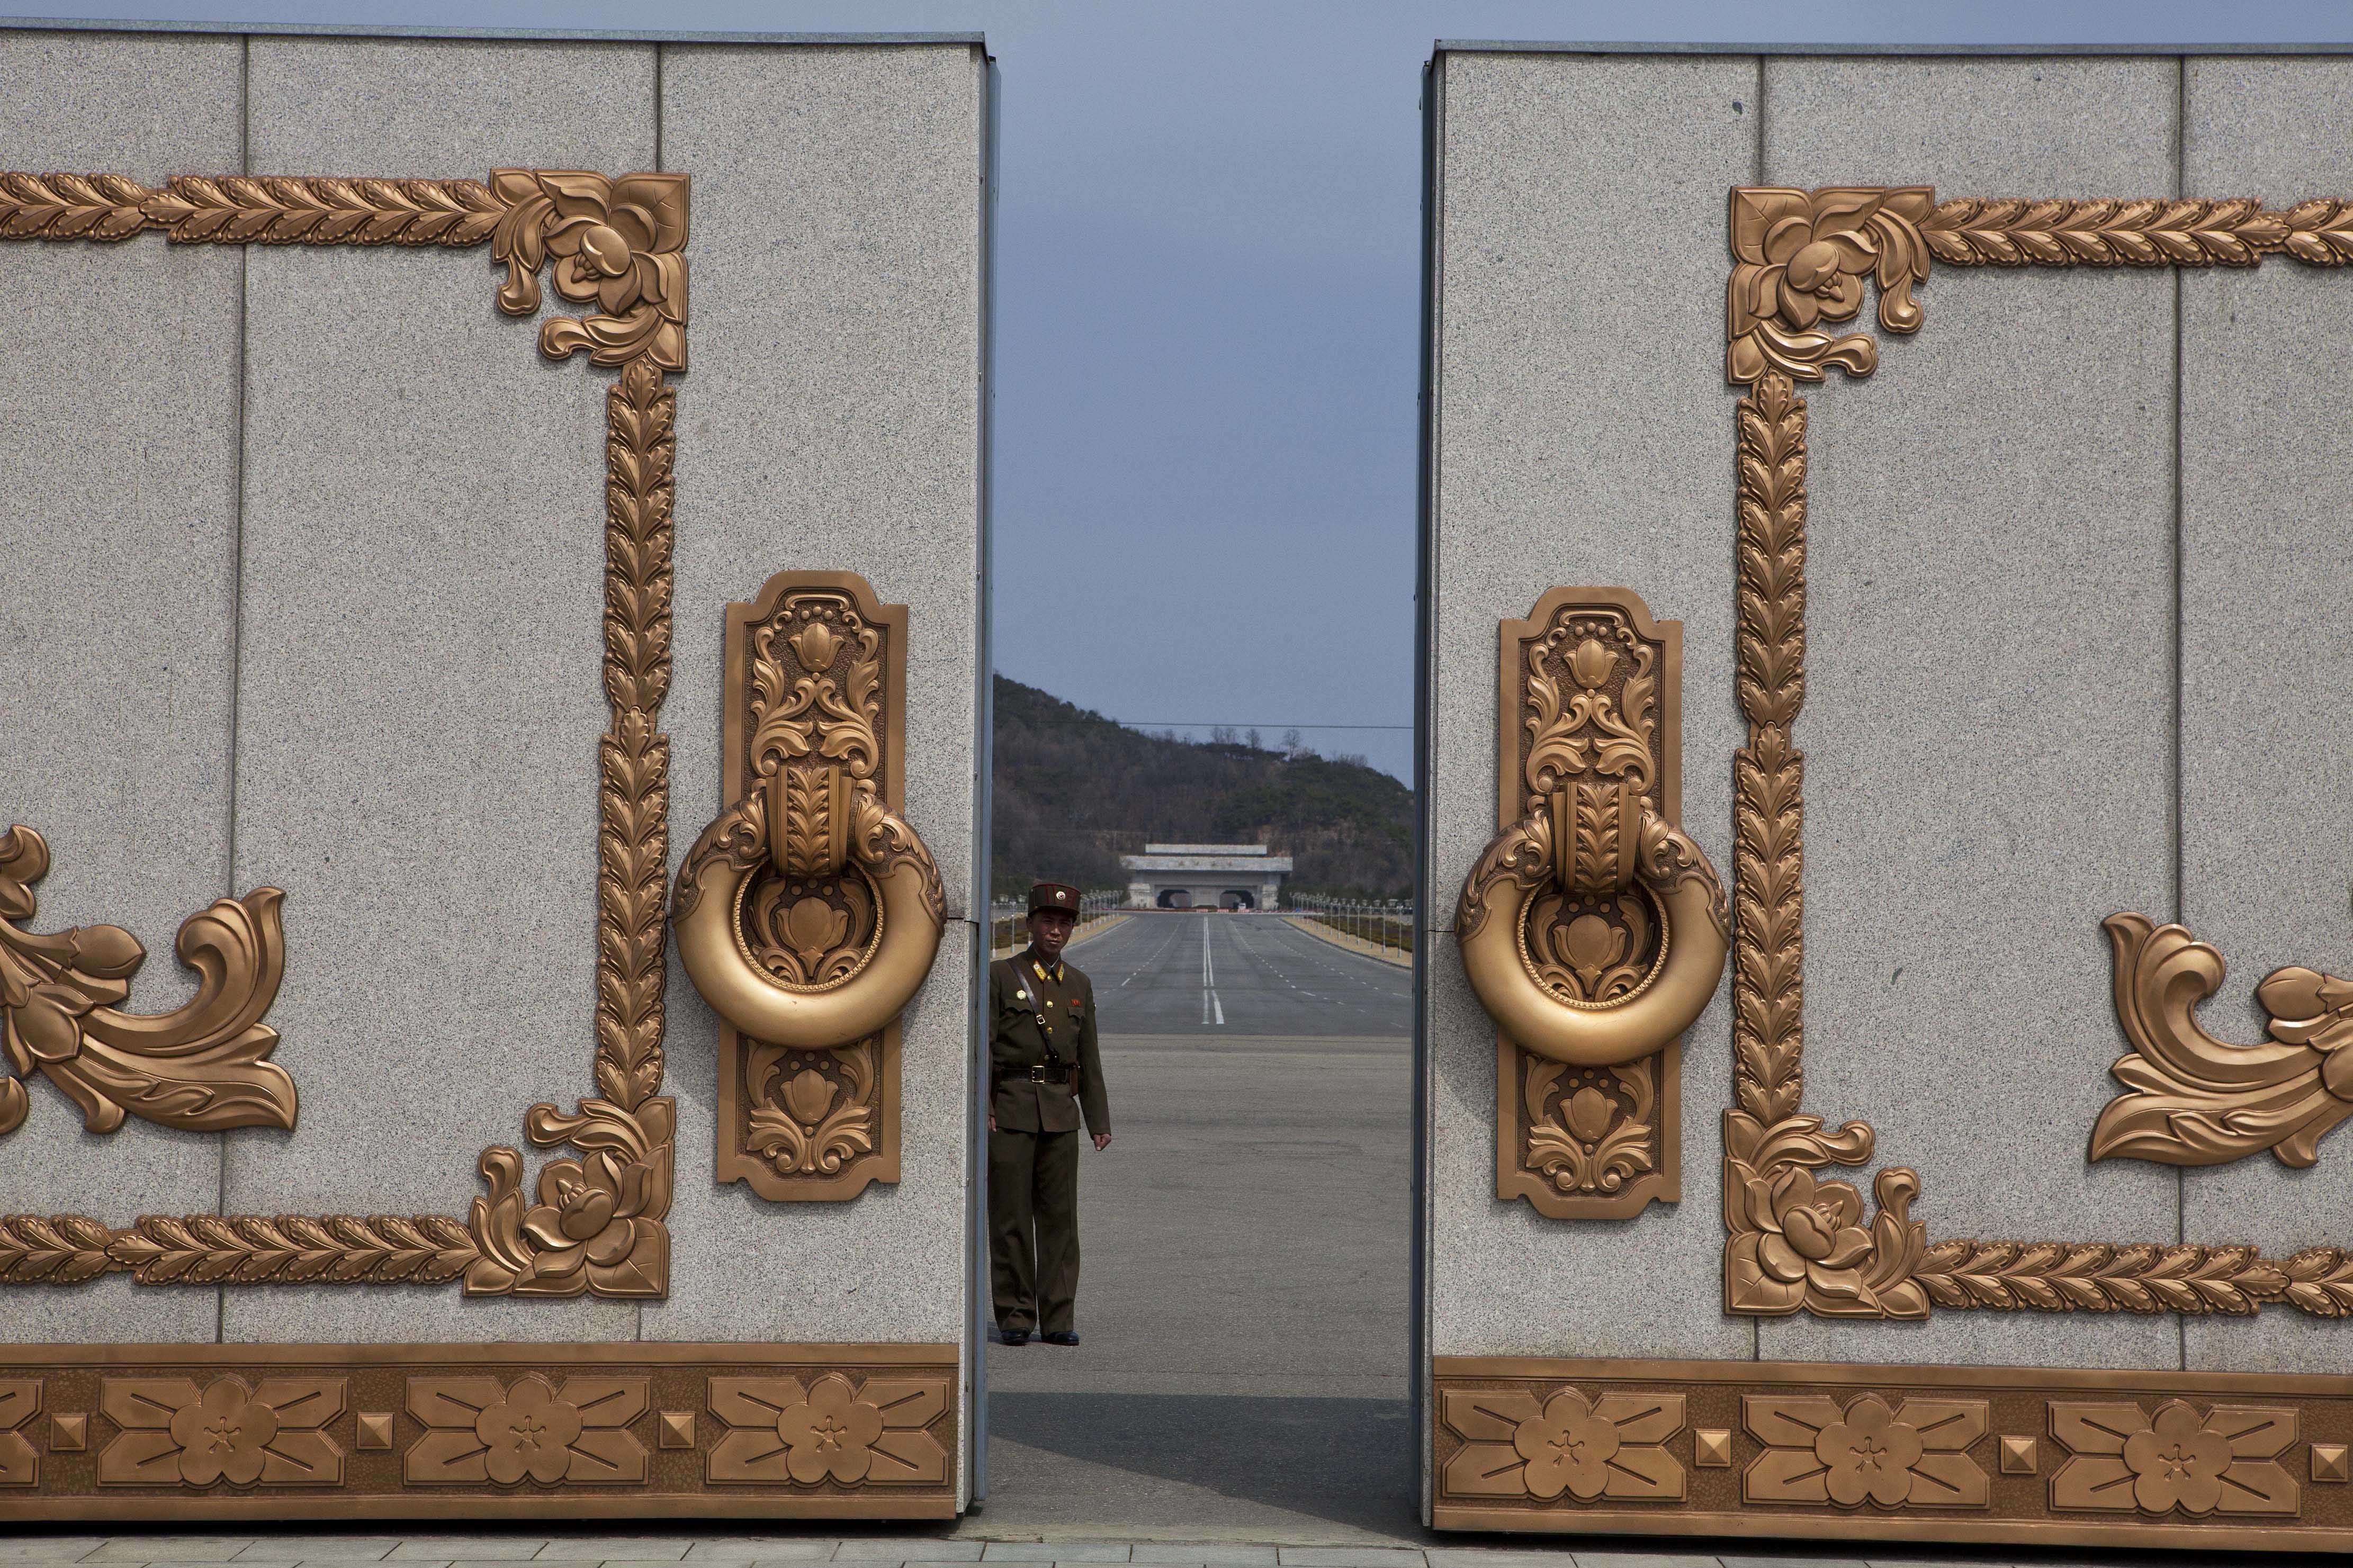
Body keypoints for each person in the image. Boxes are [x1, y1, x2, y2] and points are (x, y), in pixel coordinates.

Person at [987, 881, 1112, 1346]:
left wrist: (1098, 1120)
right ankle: (1016, 1317)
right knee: (1011, 1219)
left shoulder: (1079, 984)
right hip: (1011, 1109)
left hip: (1061, 1113)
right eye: (1047, 922)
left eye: (1063, 924)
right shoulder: (1001, 976)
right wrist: (985, 1108)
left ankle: (1058, 1318)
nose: (1055, 931)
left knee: (1060, 1219)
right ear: (1030, 924)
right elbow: (985, 1048)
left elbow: (1089, 1058)